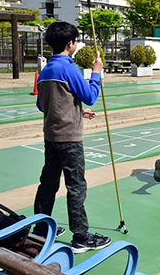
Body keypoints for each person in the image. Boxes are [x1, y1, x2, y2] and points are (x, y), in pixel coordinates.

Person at [33, 21, 111, 254]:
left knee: (48, 183)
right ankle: (81, 238)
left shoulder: (46, 70)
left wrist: (74, 109)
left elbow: (42, 105)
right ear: (70, 43)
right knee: (76, 186)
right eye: (75, 41)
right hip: (70, 140)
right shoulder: (69, 68)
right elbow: (89, 96)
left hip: (51, 137)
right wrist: (96, 73)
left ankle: (40, 228)